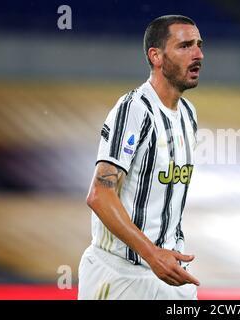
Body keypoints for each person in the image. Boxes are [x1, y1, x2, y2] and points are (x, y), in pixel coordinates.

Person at [78, 15, 203, 300]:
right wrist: (152, 254)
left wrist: (162, 258)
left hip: (170, 275)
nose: (198, 54)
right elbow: (99, 195)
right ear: (156, 56)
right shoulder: (135, 110)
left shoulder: (188, 114)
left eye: (198, 44)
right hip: (119, 276)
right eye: (185, 46)